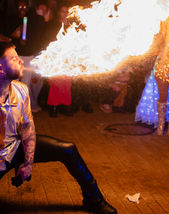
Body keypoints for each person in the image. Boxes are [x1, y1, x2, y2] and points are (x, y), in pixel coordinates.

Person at [0, 41, 117, 214]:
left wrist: (28, 161)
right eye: (14, 58)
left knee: (68, 150)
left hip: (13, 147)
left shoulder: (21, 89)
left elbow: (27, 128)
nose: (21, 61)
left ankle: (94, 199)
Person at [136, 15, 169, 137]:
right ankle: (160, 127)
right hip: (162, 69)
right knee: (162, 99)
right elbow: (154, 49)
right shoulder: (160, 34)